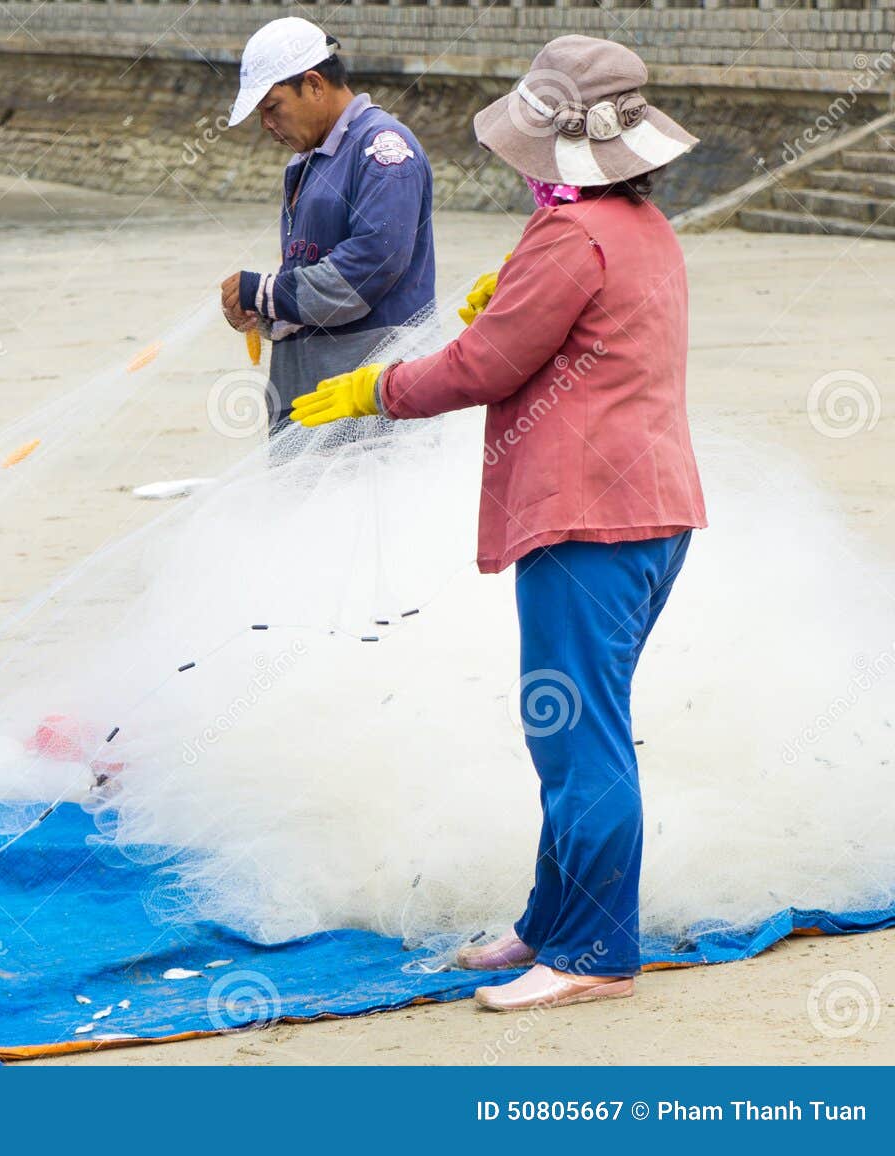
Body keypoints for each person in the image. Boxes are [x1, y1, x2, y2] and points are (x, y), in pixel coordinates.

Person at [291, 35, 706, 1013]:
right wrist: (504, 296)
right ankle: (548, 920)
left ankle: (595, 951)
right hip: (650, 516)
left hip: (587, 523)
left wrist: (372, 388)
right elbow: (531, 324)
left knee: (577, 741)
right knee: (571, 727)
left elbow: (480, 367)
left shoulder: (571, 238)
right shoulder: (638, 226)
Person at [220, 17, 435, 431]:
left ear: (315, 84)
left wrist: (265, 292)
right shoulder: (306, 164)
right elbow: (306, 280)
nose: (267, 125)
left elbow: (370, 265)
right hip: (310, 396)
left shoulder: (383, 151)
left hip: (368, 403)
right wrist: (263, 311)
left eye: (272, 108)